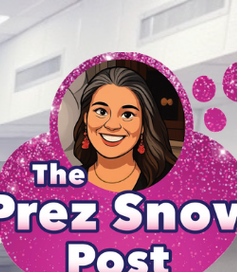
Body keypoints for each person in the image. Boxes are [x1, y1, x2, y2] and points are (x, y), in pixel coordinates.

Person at [71, 64, 177, 193]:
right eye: (101, 112)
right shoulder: (69, 182)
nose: (112, 125)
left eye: (127, 115)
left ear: (143, 125)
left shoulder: (170, 180)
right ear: (86, 118)